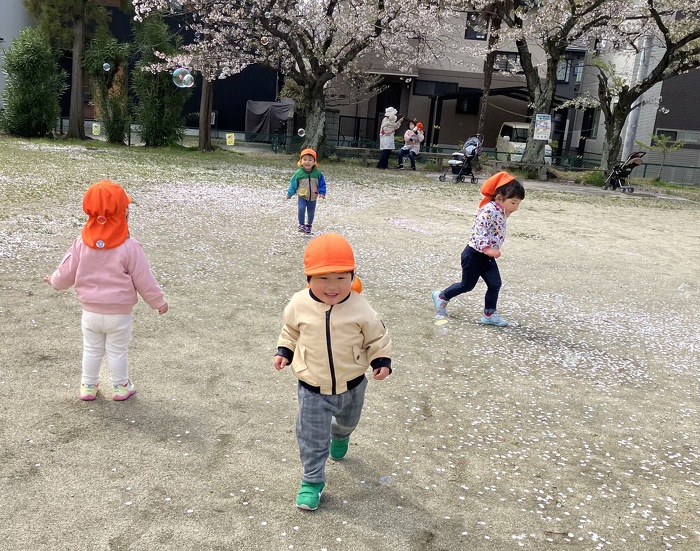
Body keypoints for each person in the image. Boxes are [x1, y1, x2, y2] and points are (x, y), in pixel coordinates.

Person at [273, 233, 392, 511]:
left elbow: (377, 337)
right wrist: (284, 351)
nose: (332, 286)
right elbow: (290, 330)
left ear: (352, 277)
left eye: (341, 277)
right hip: (312, 388)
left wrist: (381, 360)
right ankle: (312, 480)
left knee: (348, 422)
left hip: (352, 385)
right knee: (312, 437)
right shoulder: (299, 303)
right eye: (323, 278)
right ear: (308, 279)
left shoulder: (360, 307)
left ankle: (340, 435)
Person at [44, 179, 168, 401]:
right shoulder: (130, 247)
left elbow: (66, 270)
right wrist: (158, 302)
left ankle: (88, 386)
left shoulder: (81, 243)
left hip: (90, 311)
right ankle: (121, 386)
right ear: (124, 213)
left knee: (92, 349)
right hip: (119, 313)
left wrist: (54, 281)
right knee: (117, 350)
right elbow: (144, 279)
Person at [432, 171, 524, 327]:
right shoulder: (488, 210)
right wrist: (487, 249)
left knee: (495, 284)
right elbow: (479, 231)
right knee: (467, 285)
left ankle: (489, 314)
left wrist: (491, 251)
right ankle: (442, 296)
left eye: (518, 203)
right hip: (473, 256)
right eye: (513, 202)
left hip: (487, 258)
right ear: (499, 198)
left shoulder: (501, 209)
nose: (516, 207)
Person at [287, 148, 326, 234]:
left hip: (313, 196)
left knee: (311, 211)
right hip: (302, 196)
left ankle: (309, 225)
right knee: (301, 208)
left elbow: (322, 184)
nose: (307, 162)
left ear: (314, 162)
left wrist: (322, 193)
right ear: (301, 161)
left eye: (310, 160)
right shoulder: (298, 173)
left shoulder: (317, 174)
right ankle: (301, 225)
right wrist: (290, 193)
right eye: (304, 159)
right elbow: (293, 184)